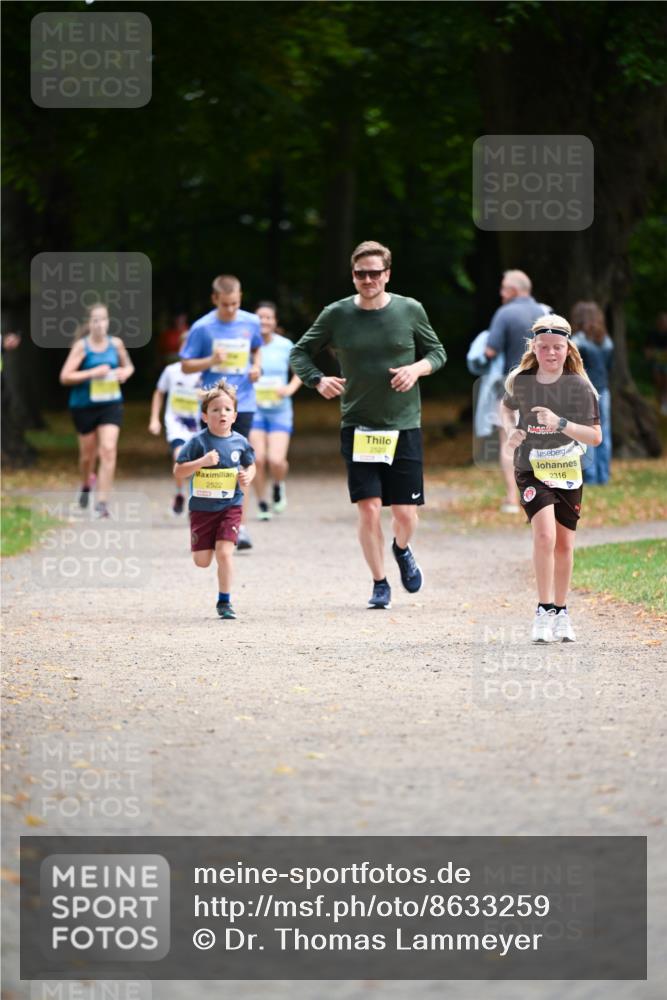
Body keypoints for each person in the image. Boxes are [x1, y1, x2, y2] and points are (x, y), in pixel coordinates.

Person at [290, 239, 447, 610]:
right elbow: (299, 351)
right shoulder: (337, 314)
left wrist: (416, 368)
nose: (368, 279)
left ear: (387, 274)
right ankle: (379, 582)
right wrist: (317, 379)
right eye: (360, 273)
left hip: (403, 424)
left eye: (375, 273)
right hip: (359, 425)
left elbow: (437, 352)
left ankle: (402, 548)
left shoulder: (409, 310)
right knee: (369, 508)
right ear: (353, 275)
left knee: (406, 514)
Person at [501, 314, 601, 644]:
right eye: (544, 347)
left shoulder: (579, 386)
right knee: (544, 536)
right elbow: (506, 407)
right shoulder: (522, 380)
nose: (551, 353)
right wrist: (512, 431)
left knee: (565, 543)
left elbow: (595, 437)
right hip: (531, 468)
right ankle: (543, 610)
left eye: (558, 347)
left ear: (567, 347)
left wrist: (561, 424)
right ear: (535, 347)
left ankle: (561, 611)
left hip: (566, 470)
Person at [180, 275, 262, 550]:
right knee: (212, 463)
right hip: (214, 407)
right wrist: (211, 360)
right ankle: (209, 519)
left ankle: (240, 525)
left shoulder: (250, 322)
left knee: (241, 463)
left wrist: (256, 368)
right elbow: (186, 366)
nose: (231, 310)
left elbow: (257, 348)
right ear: (215, 299)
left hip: (243, 403)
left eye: (235, 304)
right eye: (225, 304)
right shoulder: (202, 328)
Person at [173, 380, 256, 620]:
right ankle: (221, 591)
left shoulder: (240, 442)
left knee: (224, 553)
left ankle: (225, 601)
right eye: (216, 410)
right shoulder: (198, 442)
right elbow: (179, 471)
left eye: (227, 409)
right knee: (202, 561)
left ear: (235, 415)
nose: (222, 413)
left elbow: (252, 465)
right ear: (205, 416)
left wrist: (247, 475)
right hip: (202, 509)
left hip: (231, 506)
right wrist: (201, 462)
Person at [59, 303, 134, 518]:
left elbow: (128, 366)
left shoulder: (116, 344)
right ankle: (85, 484)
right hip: (83, 406)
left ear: (108, 321)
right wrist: (92, 373)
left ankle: (102, 503)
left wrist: (124, 373)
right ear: (89, 323)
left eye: (103, 319)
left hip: (110, 404)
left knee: (108, 449)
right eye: (95, 320)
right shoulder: (82, 347)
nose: (100, 324)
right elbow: (65, 377)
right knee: (87, 456)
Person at [484, 270, 548, 513]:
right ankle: (540, 493)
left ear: (512, 290)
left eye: (503, 288)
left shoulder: (505, 313)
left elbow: (491, 350)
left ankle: (512, 497)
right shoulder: (544, 312)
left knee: (508, 441)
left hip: (512, 389)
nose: (501, 293)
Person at [250, 301, 302, 519]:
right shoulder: (247, 345)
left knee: (276, 460)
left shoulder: (285, 345)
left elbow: (300, 370)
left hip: (280, 409)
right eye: (260, 317)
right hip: (254, 409)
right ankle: (262, 503)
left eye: (268, 317)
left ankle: (278, 485)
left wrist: (289, 388)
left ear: (275, 321)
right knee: (258, 459)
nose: (264, 321)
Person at [149, 332, 203, 514]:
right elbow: (159, 392)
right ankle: (180, 493)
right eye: (184, 346)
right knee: (180, 456)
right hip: (176, 423)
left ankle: (194, 497)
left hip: (198, 426)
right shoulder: (171, 371)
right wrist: (154, 419)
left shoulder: (203, 373)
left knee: (198, 463)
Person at [571, 301, 613, 485]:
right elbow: (610, 367)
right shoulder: (606, 341)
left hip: (584, 391)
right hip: (604, 389)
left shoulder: (577, 340)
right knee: (604, 434)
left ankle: (590, 477)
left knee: (587, 434)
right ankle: (603, 476)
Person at [645, 311, 667, 415]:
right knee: (658, 381)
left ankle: (664, 402)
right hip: (656, 362)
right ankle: (659, 401)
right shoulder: (653, 333)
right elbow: (648, 350)